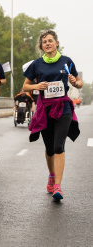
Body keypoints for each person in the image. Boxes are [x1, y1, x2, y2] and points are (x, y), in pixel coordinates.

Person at [23, 29, 82, 200]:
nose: (47, 43)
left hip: (63, 107)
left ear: (57, 43)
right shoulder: (37, 64)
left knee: (58, 146)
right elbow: (25, 86)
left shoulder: (66, 61)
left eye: (50, 40)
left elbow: (78, 83)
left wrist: (74, 82)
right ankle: (51, 175)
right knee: (49, 149)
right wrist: (37, 87)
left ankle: (58, 186)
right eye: (44, 42)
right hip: (45, 109)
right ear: (41, 46)